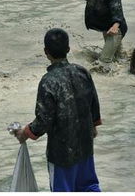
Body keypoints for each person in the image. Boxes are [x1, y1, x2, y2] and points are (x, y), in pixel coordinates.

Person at [13, 28, 102, 192]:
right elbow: (93, 105)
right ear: (68, 49)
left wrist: (24, 133)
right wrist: (93, 127)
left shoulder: (48, 81)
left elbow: (43, 122)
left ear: (46, 52)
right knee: (90, 186)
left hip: (62, 154)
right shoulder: (83, 72)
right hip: (85, 145)